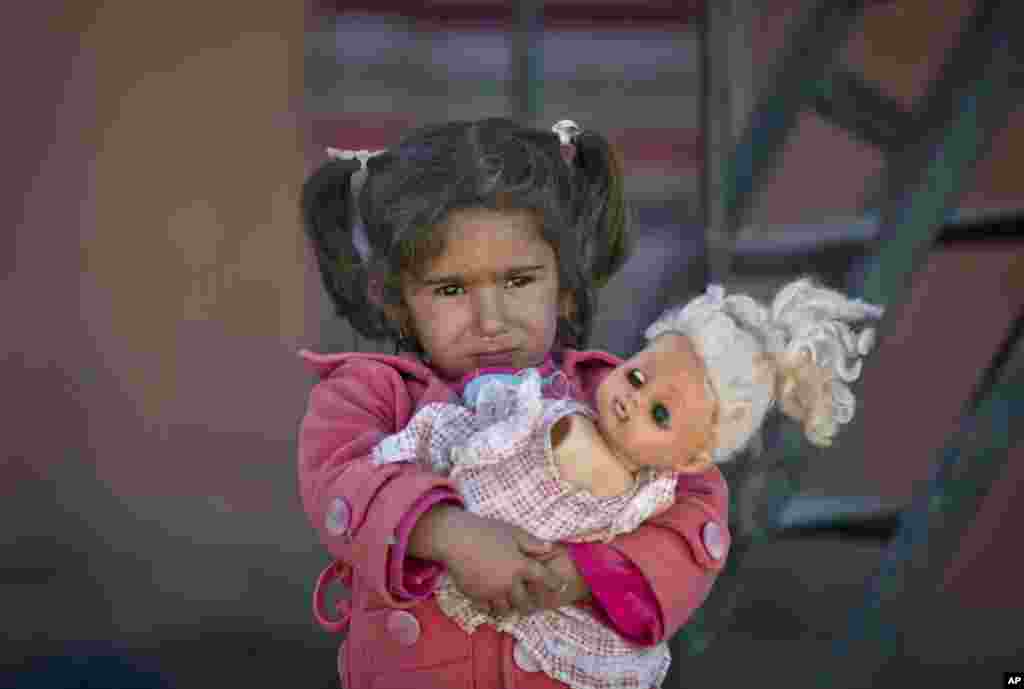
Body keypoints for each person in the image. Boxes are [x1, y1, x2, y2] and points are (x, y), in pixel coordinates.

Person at [298, 116, 720, 689]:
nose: (491, 322)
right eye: (450, 290)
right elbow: (340, 477)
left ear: (565, 286)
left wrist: (579, 574)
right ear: (397, 302)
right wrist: (447, 534)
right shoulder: (367, 398)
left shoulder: (608, 398)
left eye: (518, 281)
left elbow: (694, 502)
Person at [366, 278, 882, 689]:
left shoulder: (652, 502)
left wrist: (565, 576)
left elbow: (649, 569)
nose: (633, 400)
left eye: (659, 414)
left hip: (531, 616)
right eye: (637, 376)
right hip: (448, 577)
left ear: (694, 456)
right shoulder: (545, 403)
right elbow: (472, 425)